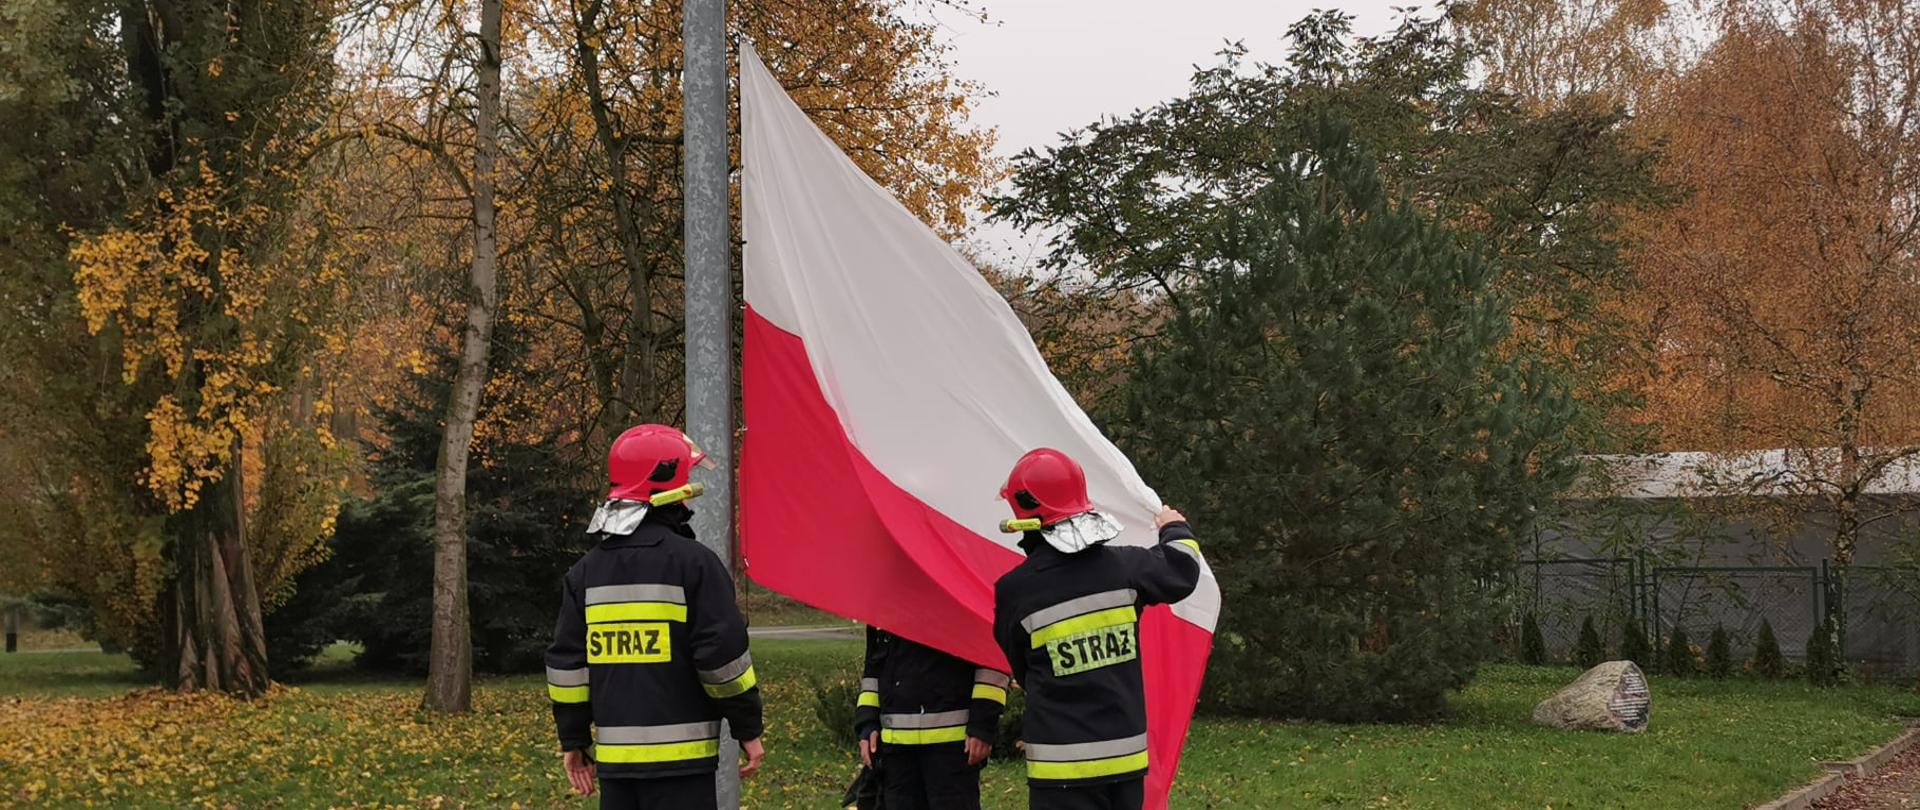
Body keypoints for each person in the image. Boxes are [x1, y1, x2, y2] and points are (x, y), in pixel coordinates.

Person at [546, 424, 766, 809]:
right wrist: (748, 729)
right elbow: (723, 660)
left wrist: (574, 739)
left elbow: (568, 669)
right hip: (683, 769)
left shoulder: (584, 573)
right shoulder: (695, 564)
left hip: (617, 769)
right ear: (670, 485)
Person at [991, 448, 1203, 810]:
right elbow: (1183, 567)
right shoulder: (1125, 568)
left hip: (1059, 770)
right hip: (1126, 763)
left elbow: (1021, 667)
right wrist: (1174, 526)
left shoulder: (1015, 590)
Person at [852, 625, 1010, 810]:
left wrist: (982, 724)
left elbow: (992, 657)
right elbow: (874, 666)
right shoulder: (886, 603)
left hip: (953, 746)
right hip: (896, 748)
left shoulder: (961, 600)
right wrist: (868, 722)